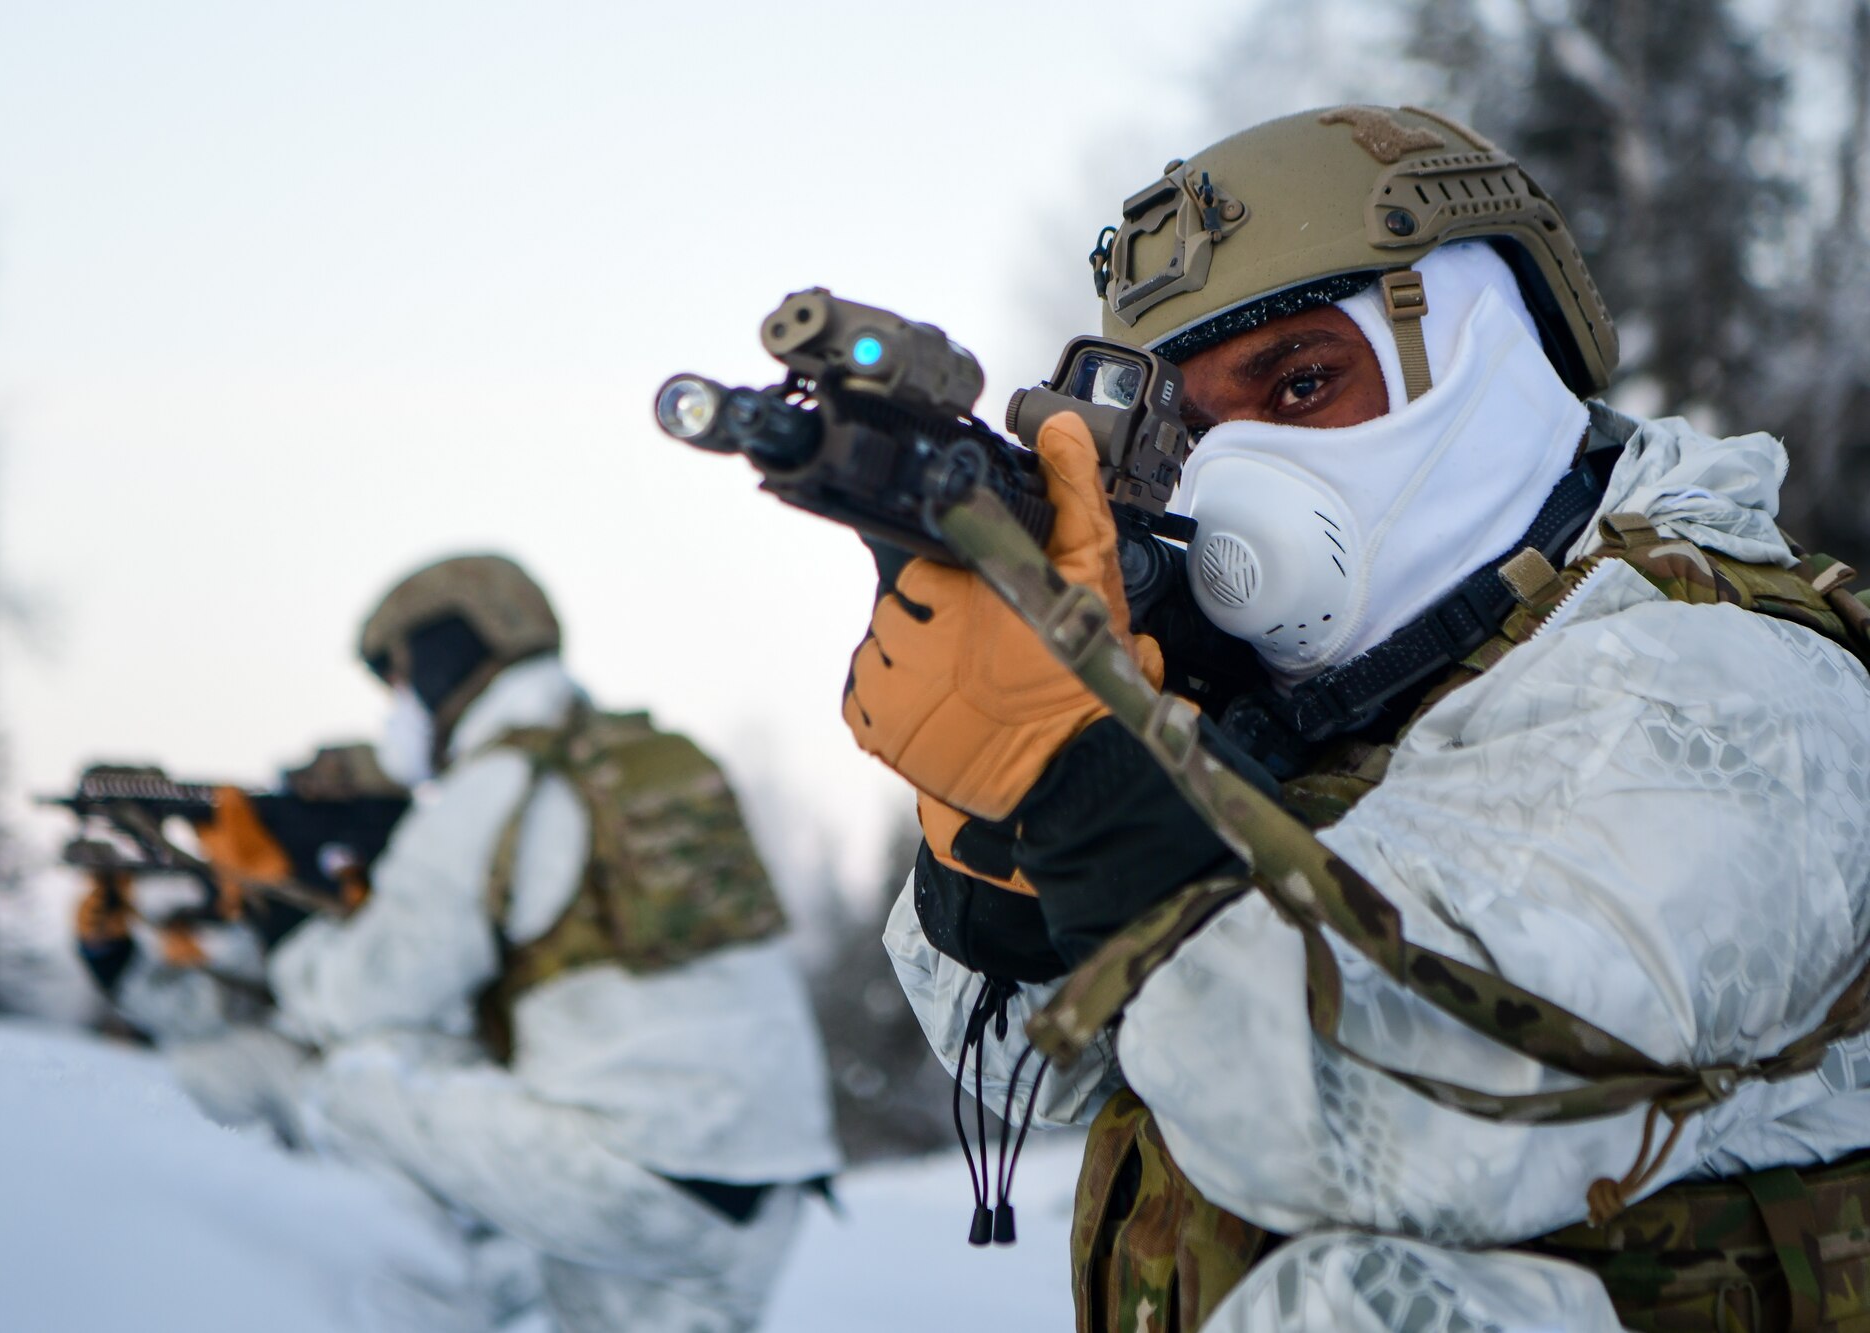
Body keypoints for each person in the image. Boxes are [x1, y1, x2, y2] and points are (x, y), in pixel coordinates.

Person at [852, 105, 1870, 1331]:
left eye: (1298, 382)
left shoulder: (1721, 688)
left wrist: (1084, 785)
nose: (1236, 484)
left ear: (1484, 342)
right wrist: (1000, 846)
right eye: (1196, 434)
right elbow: (1043, 1073)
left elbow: (1386, 1118)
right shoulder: (1338, 698)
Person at [260, 552, 840, 1333]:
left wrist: (287, 933)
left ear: (445, 658)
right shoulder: (626, 761)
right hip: (766, 1189)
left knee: (350, 1082)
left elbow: (367, 997)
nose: (395, 707)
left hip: (629, 1180)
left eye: (398, 678)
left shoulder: (495, 785)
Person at [71, 743, 399, 1147]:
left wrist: (285, 909)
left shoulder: (422, 902)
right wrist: (113, 958)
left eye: (324, 788)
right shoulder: (282, 936)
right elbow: (219, 1014)